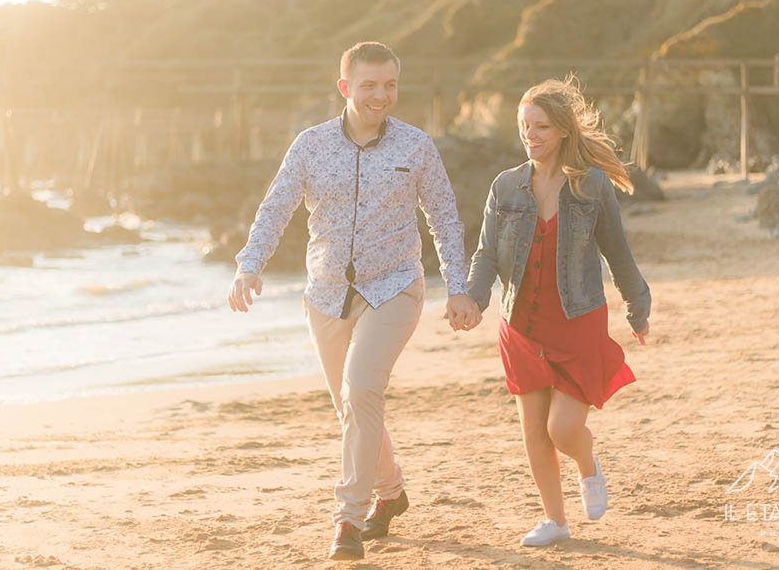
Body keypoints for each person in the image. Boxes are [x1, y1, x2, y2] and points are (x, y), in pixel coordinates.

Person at [227, 41, 480, 561]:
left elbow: (444, 218)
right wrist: (249, 264)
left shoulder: (416, 146)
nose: (381, 95)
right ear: (345, 88)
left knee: (362, 387)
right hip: (325, 294)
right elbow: (275, 208)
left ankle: (348, 518)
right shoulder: (310, 145)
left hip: (394, 287)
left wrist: (458, 287)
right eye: (369, 85)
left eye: (390, 84)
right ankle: (392, 494)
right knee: (352, 403)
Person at [461, 75, 652, 548]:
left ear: (563, 130)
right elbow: (485, 254)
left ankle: (587, 465)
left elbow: (618, 252)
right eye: (525, 126)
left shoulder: (592, 187)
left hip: (578, 320)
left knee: (563, 429)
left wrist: (637, 304)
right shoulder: (505, 187)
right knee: (535, 433)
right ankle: (555, 520)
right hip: (521, 324)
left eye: (541, 127)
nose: (531, 135)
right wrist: (473, 299)